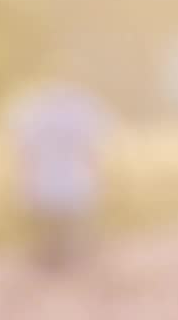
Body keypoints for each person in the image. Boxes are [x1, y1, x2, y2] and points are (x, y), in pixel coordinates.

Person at [9, 80, 111, 269]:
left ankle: (51, 263)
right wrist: (100, 181)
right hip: (76, 184)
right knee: (73, 234)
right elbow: (92, 152)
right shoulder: (82, 111)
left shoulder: (33, 112)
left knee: (48, 234)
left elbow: (24, 153)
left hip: (44, 184)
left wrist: (23, 184)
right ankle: (71, 264)